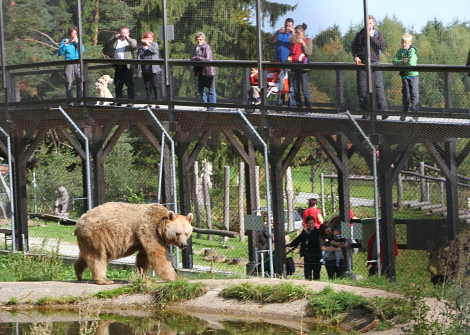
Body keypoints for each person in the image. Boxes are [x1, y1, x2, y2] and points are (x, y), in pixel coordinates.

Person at [352, 15, 388, 119]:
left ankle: (383, 112)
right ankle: (366, 112)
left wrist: (372, 37)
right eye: (367, 23)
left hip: (374, 64)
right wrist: (355, 57)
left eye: (371, 23)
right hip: (362, 65)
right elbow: (354, 48)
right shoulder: (359, 34)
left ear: (373, 24)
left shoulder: (377, 34)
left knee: (378, 88)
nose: (369, 25)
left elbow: (382, 47)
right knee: (362, 89)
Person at [392, 33, 419, 122]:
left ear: (410, 43)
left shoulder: (412, 51)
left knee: (414, 94)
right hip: (404, 75)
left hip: (413, 75)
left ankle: (415, 114)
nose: (404, 44)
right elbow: (394, 61)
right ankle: (404, 112)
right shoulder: (400, 51)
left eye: (406, 43)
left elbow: (412, 63)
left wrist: (404, 62)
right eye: (403, 42)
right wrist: (402, 61)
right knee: (406, 95)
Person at [108, 27, 137, 107]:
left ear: (128, 33)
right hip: (118, 66)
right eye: (121, 33)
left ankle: (131, 101)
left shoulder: (131, 41)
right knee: (117, 84)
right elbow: (109, 44)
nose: (122, 34)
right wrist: (115, 37)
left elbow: (134, 46)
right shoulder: (117, 41)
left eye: (124, 33)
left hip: (127, 66)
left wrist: (127, 38)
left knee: (129, 84)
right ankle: (118, 101)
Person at [269, 18, 295, 106]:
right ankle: (280, 103)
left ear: (292, 26)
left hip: (288, 63)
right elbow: (271, 40)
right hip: (277, 62)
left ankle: (291, 104)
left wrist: (293, 33)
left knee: (289, 84)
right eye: (286, 25)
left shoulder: (292, 35)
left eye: (289, 26)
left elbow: (297, 43)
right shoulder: (279, 32)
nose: (287, 27)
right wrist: (278, 33)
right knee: (279, 83)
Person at [287, 215, 322, 280]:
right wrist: (291, 245)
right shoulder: (305, 232)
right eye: (309, 223)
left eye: (312, 223)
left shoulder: (317, 232)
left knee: (316, 273)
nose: (311, 225)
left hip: (316, 255)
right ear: (307, 224)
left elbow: (314, 242)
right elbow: (299, 239)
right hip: (307, 255)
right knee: (307, 273)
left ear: (314, 223)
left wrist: (308, 234)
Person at [58, 26, 85, 107]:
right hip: (69, 63)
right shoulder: (65, 41)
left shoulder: (78, 41)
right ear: (70, 33)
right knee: (69, 81)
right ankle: (70, 101)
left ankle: (80, 99)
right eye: (73, 33)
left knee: (79, 80)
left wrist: (77, 42)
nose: (74, 35)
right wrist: (65, 45)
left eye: (76, 33)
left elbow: (82, 50)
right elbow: (60, 53)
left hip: (78, 63)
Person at [288, 23, 312, 109]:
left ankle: (309, 107)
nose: (297, 34)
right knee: (295, 88)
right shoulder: (294, 41)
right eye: (296, 32)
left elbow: (309, 53)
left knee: (304, 89)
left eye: (298, 32)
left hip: (303, 67)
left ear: (302, 32)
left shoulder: (308, 40)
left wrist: (303, 43)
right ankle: (298, 106)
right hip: (294, 67)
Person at [190, 32, 216, 111]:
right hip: (200, 71)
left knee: (211, 89)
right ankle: (205, 105)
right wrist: (193, 58)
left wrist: (197, 58)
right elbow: (192, 56)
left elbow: (207, 58)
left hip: (208, 71)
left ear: (204, 39)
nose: (199, 41)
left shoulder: (206, 47)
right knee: (201, 88)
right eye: (197, 39)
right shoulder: (196, 47)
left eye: (200, 39)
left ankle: (211, 107)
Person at [137, 31, 161, 109]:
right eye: (148, 37)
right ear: (144, 38)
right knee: (147, 87)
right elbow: (139, 57)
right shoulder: (141, 48)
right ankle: (149, 102)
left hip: (154, 69)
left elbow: (155, 51)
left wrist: (148, 44)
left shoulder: (154, 44)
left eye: (151, 37)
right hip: (145, 70)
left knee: (155, 86)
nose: (150, 39)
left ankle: (157, 103)